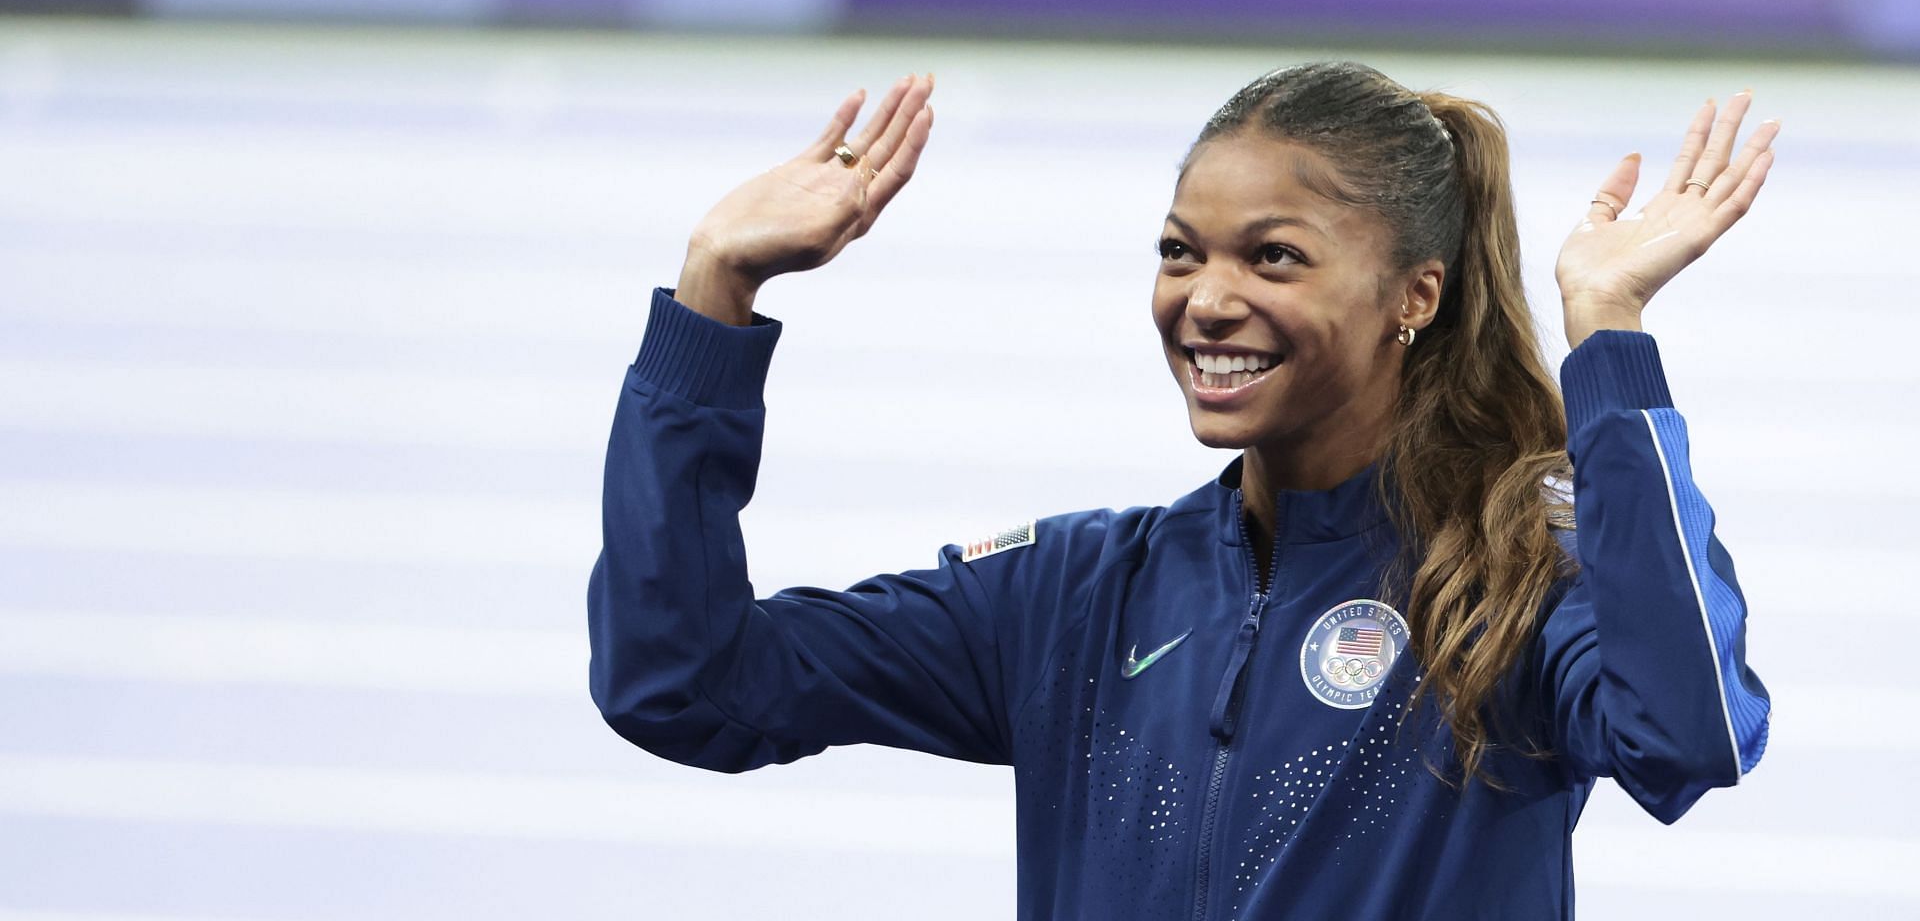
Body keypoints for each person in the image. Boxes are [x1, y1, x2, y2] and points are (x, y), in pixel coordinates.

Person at [587, 61, 1775, 919]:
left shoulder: (1508, 573)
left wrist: (1608, 337)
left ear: (1414, 293)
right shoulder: (1073, 593)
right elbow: (687, 683)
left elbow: (1691, 734)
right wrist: (713, 297)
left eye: (1274, 256)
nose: (1205, 297)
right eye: (1179, 250)